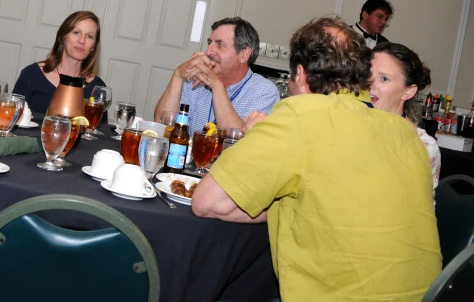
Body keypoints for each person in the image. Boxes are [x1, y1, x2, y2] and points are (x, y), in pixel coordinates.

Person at [192, 17, 441, 301]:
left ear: (300, 74)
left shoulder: (300, 115)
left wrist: (284, 199)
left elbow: (207, 202)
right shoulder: (408, 135)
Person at [153, 17, 279, 135]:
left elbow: (241, 144)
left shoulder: (264, 91)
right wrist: (178, 76)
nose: (209, 52)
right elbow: (161, 124)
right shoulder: (196, 80)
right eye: (209, 43)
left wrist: (217, 86)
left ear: (244, 54)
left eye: (219, 44)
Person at [370, 42, 440, 192]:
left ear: (408, 92)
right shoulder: (351, 125)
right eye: (368, 75)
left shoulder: (423, 146)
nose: (370, 84)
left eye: (384, 79)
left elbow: (420, 208)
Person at [13, 11, 107, 118]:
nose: (82, 40)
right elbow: (10, 118)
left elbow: (101, 133)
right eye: (76, 32)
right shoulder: (31, 75)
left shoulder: (98, 88)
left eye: (89, 36)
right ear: (63, 37)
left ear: (93, 46)